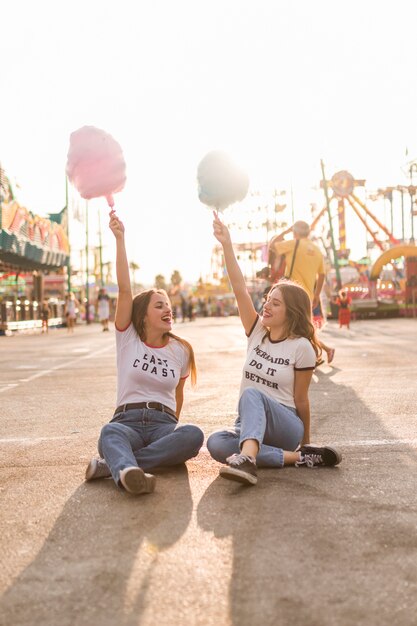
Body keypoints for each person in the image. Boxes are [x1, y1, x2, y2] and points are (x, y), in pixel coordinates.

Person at [206, 212, 341, 487]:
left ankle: (249, 460)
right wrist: (227, 245)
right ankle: (296, 459)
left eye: (275, 303)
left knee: (252, 394)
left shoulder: (301, 347)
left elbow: (301, 400)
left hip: (285, 424)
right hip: (251, 426)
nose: (266, 305)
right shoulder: (256, 332)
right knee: (217, 442)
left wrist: (306, 441)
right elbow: (239, 289)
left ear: (290, 312)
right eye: (268, 299)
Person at [85, 210, 204, 495]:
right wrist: (120, 238)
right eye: (159, 305)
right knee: (109, 433)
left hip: (164, 425)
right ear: (143, 315)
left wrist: (170, 430)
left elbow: (178, 395)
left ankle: (115, 466)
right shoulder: (128, 339)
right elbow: (125, 290)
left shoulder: (181, 350)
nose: (168, 309)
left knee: (193, 435)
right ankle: (126, 470)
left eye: (168, 305)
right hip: (125, 422)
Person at [269, 220, 335, 364]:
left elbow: (272, 245)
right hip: (308, 295)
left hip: (291, 293)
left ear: (295, 232)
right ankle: (320, 353)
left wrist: (286, 231)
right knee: (301, 327)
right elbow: (322, 274)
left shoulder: (294, 244)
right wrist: (316, 294)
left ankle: (315, 355)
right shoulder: (317, 249)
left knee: (295, 327)